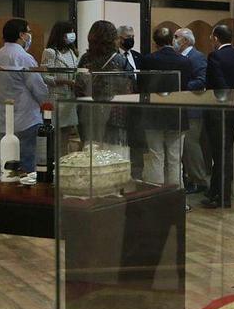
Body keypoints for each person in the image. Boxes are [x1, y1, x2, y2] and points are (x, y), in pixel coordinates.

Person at [203, 24, 234, 209]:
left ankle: (222, 195)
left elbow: (216, 84)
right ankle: (217, 192)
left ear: (216, 38)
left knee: (220, 153)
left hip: (219, 111)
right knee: (226, 151)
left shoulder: (215, 56)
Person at [139, 27, 192, 186]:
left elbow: (142, 87)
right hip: (177, 113)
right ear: (172, 40)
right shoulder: (185, 61)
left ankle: (157, 197)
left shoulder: (148, 60)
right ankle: (177, 199)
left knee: (156, 156)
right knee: (176, 159)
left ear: (155, 42)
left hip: (153, 114)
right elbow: (186, 88)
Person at [76, 20, 134, 155]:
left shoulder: (85, 59)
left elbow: (79, 86)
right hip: (115, 115)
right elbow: (131, 87)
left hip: (88, 113)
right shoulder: (119, 60)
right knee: (115, 157)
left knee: (91, 155)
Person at [0, 18, 49, 172]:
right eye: (28, 32)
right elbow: (39, 89)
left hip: (3, 119)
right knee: (27, 166)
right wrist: (46, 104)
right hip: (27, 120)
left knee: (6, 166)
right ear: (21, 35)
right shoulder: (24, 58)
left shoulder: (0, 54)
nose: (29, 35)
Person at [173, 27, 210, 194]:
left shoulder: (197, 57)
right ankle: (190, 178)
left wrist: (180, 87)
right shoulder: (180, 58)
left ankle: (199, 179)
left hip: (193, 109)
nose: (174, 40)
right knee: (184, 146)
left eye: (176, 37)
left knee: (191, 145)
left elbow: (202, 80)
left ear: (186, 40)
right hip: (182, 108)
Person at [41, 21, 79, 155]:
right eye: (69, 32)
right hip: (57, 98)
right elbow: (45, 76)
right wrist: (64, 81)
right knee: (56, 139)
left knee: (66, 138)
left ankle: (63, 165)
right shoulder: (50, 52)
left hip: (70, 99)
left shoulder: (72, 52)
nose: (72, 35)